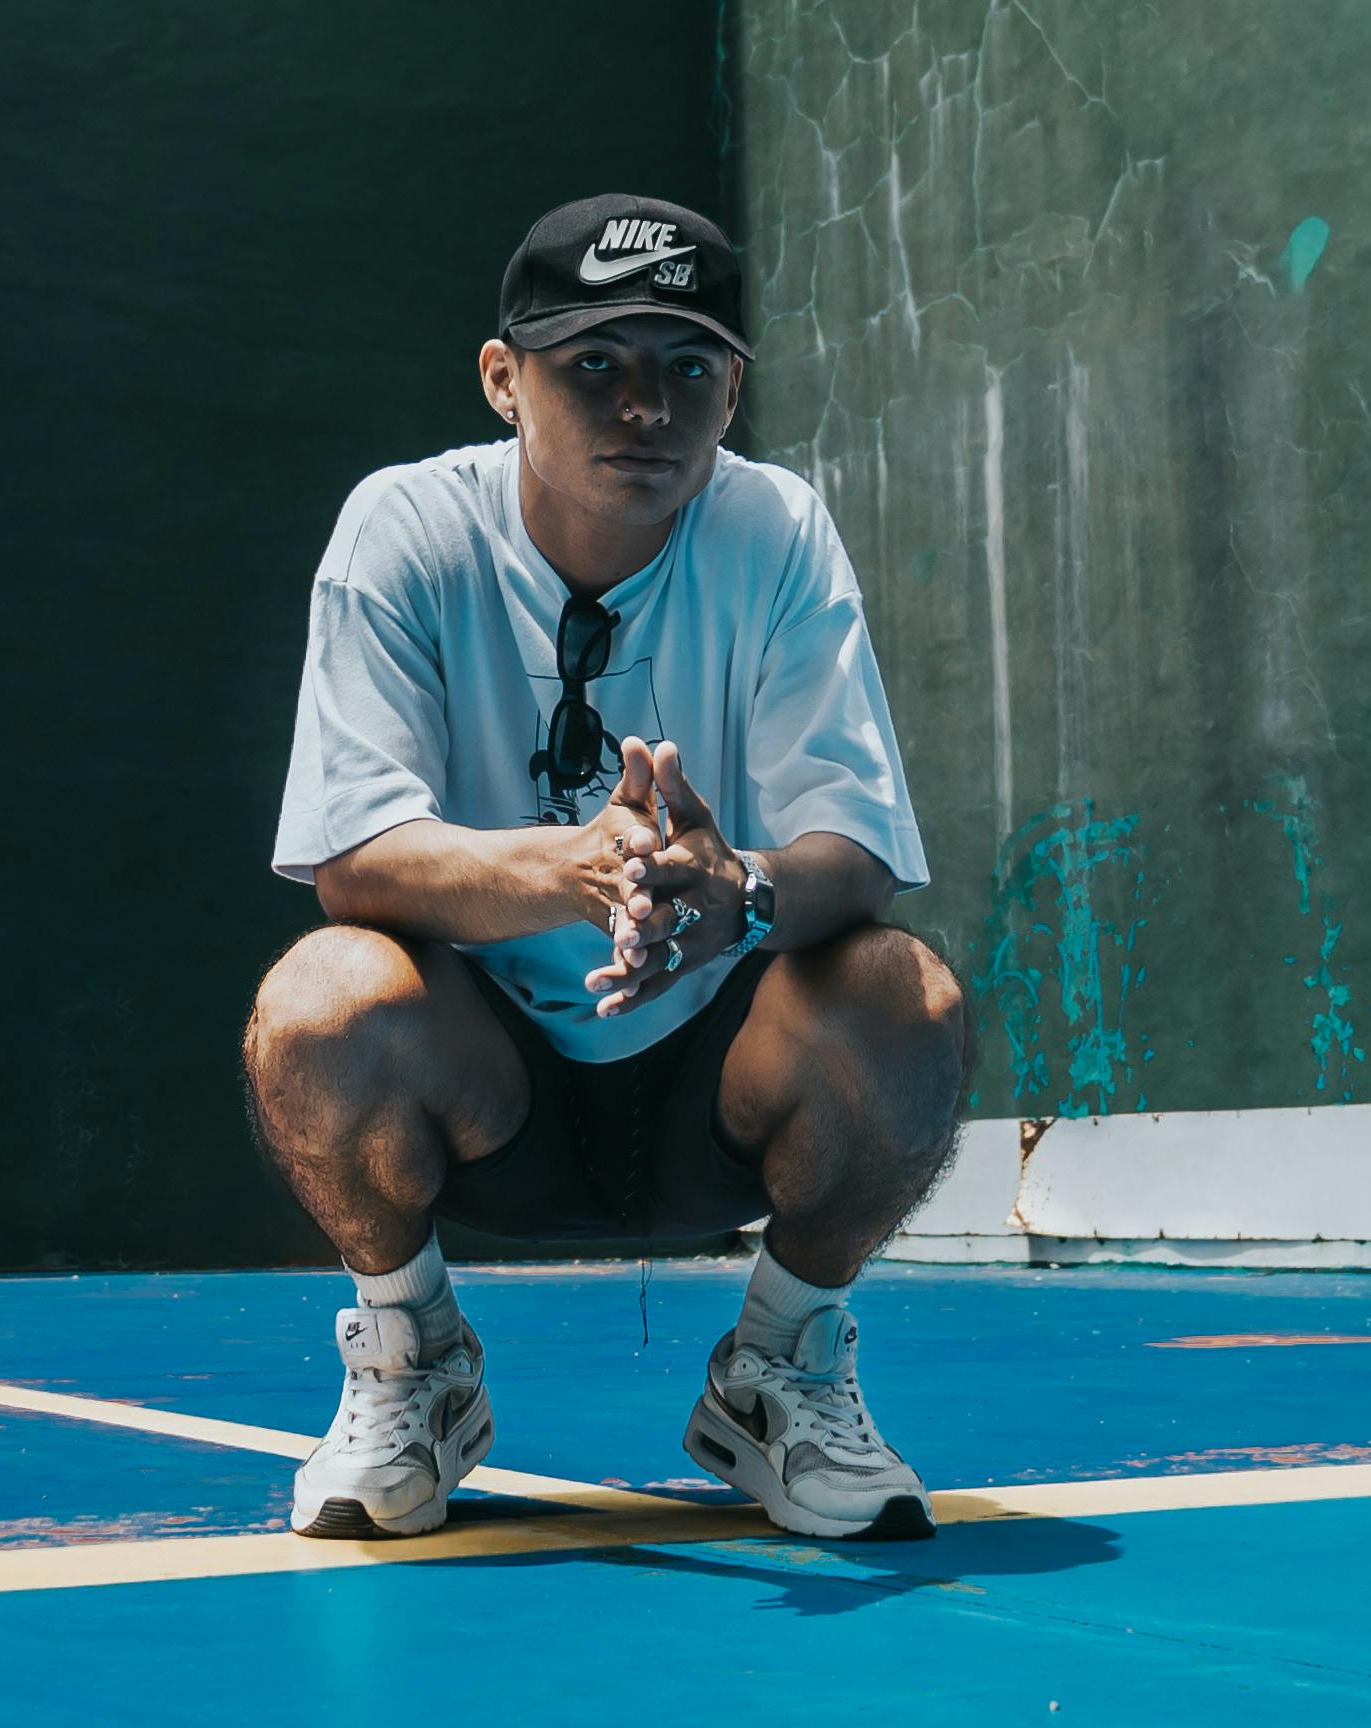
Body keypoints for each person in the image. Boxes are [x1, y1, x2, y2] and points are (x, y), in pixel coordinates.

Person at [244, 192, 969, 1543]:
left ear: (734, 390)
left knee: (900, 992)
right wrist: (575, 873)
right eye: (596, 364)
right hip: (492, 1088)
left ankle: (779, 1366)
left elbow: (855, 849)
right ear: (502, 380)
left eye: (688, 366)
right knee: (319, 997)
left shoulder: (777, 531)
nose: (647, 403)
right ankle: (415, 1361)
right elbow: (354, 859)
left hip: (717, 1087)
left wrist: (737, 894)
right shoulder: (403, 530)